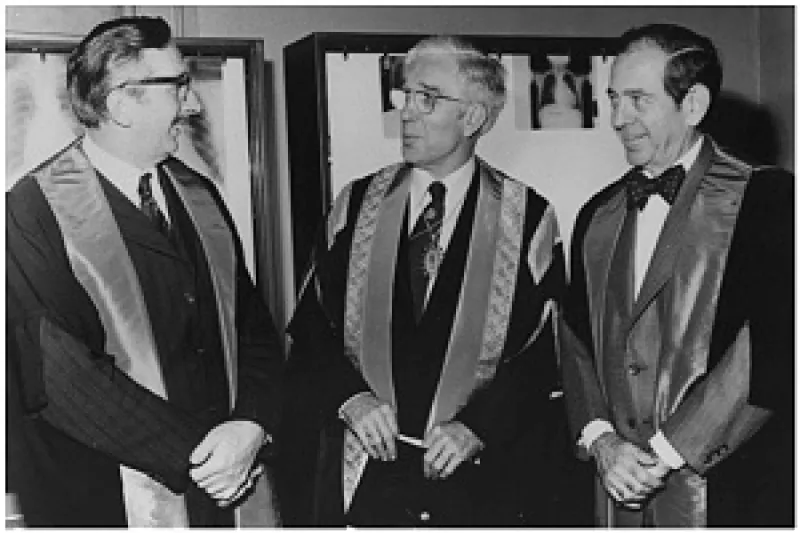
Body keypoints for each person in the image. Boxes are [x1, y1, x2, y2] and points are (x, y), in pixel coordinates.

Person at [278, 35, 583, 527]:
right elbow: (311, 329)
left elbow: (545, 353)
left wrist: (477, 427)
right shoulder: (356, 206)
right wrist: (350, 398)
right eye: (406, 96)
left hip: (479, 483)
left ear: (474, 119)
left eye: (428, 98)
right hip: (368, 482)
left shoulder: (526, 218)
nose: (407, 112)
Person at [6, 16, 284, 527]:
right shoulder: (31, 212)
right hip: (111, 496)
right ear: (120, 103)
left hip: (228, 483)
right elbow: (59, 374)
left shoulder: (200, 197)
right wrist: (200, 455)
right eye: (178, 86)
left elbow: (254, 332)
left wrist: (253, 423)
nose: (194, 103)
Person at [559, 23, 793, 527]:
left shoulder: (767, 198)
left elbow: (774, 345)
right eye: (614, 99)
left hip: (731, 487)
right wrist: (602, 440)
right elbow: (575, 341)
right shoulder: (595, 215)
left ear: (692, 105)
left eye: (638, 100)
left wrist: (664, 454)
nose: (618, 119)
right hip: (615, 484)